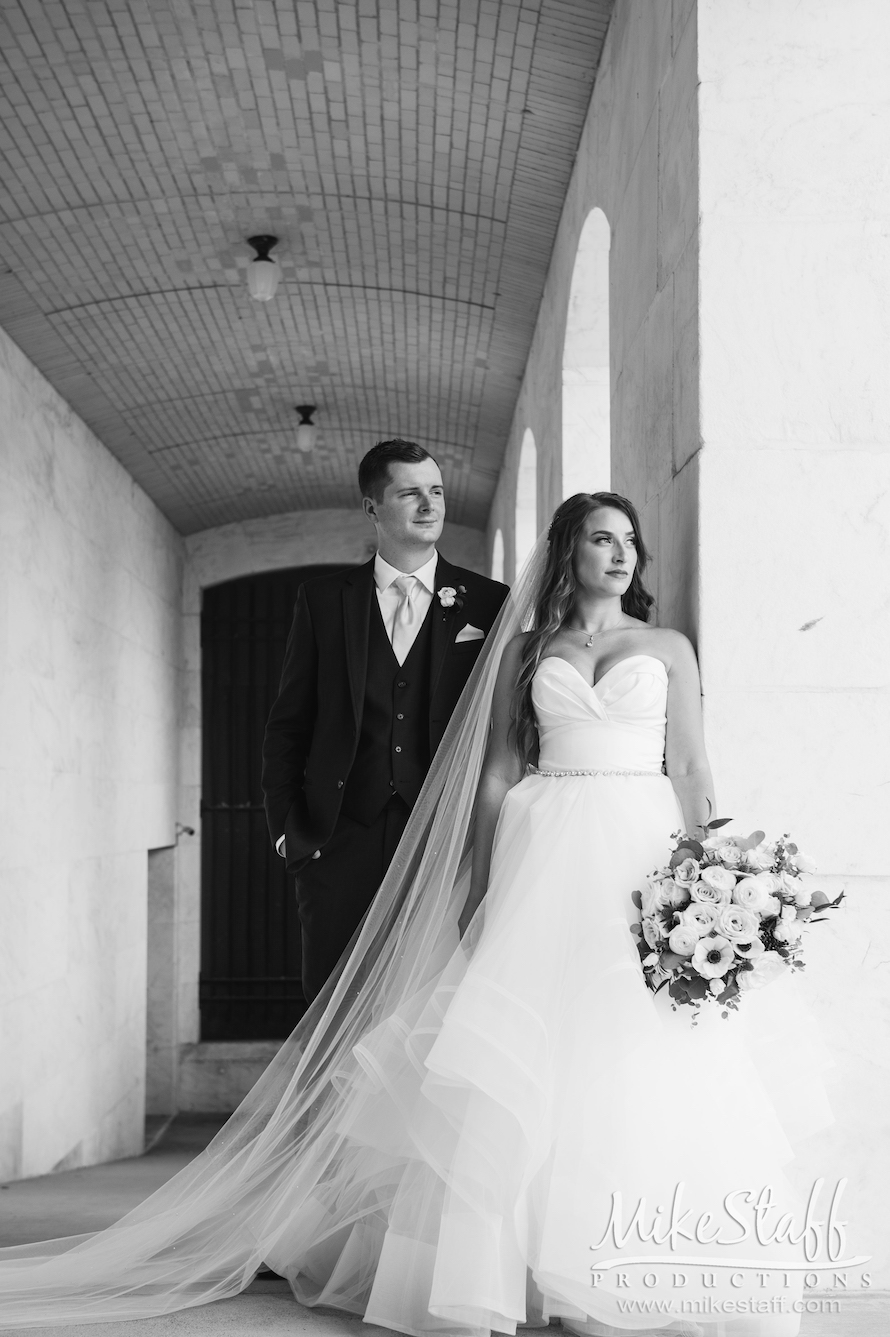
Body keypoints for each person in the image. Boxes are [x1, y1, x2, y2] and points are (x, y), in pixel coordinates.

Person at [0, 493, 833, 1334]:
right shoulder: (521, 651)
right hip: (542, 848)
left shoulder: (666, 648)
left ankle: (619, 1265)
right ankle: (525, 1270)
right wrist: (478, 875)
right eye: (600, 539)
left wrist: (712, 875)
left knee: (631, 1040)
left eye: (629, 542)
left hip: (640, 848)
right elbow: (501, 771)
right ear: (566, 552)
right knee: (527, 1042)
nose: (621, 556)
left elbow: (691, 766)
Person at [262, 438, 508, 1001]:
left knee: (431, 1013)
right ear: (372, 508)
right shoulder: (323, 600)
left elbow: (506, 727)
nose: (430, 505)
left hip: (447, 847)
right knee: (330, 1020)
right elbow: (288, 727)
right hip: (337, 846)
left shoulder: (489, 604)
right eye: (410, 493)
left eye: (437, 491)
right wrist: (287, 835)